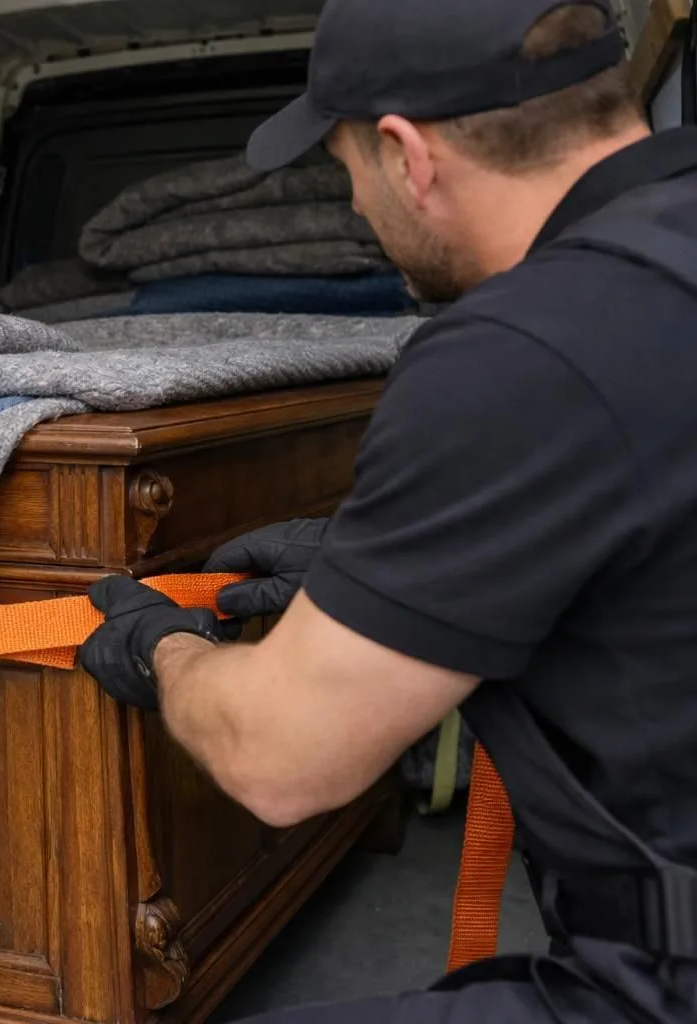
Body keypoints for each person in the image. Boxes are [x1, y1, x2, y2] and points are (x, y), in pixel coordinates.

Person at [78, 1, 697, 1021]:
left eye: (344, 167)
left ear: (407, 154)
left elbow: (278, 761)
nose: (357, 207)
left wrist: (161, 651)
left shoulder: (520, 351)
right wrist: (376, 569)